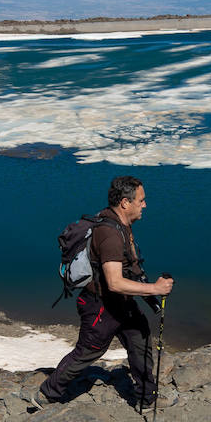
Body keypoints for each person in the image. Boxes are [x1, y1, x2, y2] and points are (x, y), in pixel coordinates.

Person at [34, 175, 175, 409]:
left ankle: (146, 398)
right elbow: (114, 282)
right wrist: (154, 289)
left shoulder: (119, 224)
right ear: (125, 203)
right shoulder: (109, 233)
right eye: (141, 200)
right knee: (88, 352)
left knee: (140, 341)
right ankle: (47, 393)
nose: (145, 205)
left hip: (122, 302)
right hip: (101, 305)